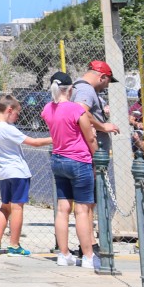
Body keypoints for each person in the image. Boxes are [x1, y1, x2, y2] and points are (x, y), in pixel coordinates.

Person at [43, 71, 103, 268]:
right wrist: (97, 158)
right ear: (70, 89)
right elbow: (90, 137)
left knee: (62, 209)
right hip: (79, 160)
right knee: (82, 210)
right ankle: (87, 256)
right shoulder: (76, 110)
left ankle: (64, 254)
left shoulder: (47, 109)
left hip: (58, 160)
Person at [0, 94, 51, 255]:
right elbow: (34, 143)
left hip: (4, 173)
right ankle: (14, 245)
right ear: (9, 110)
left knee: (4, 207)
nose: (18, 116)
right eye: (17, 112)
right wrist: (55, 137)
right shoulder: (8, 129)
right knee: (17, 208)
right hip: (18, 172)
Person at [73, 60, 120, 135]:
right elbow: (80, 112)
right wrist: (103, 127)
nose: (107, 86)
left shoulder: (79, 85)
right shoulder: (86, 89)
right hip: (91, 142)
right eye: (108, 81)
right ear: (102, 77)